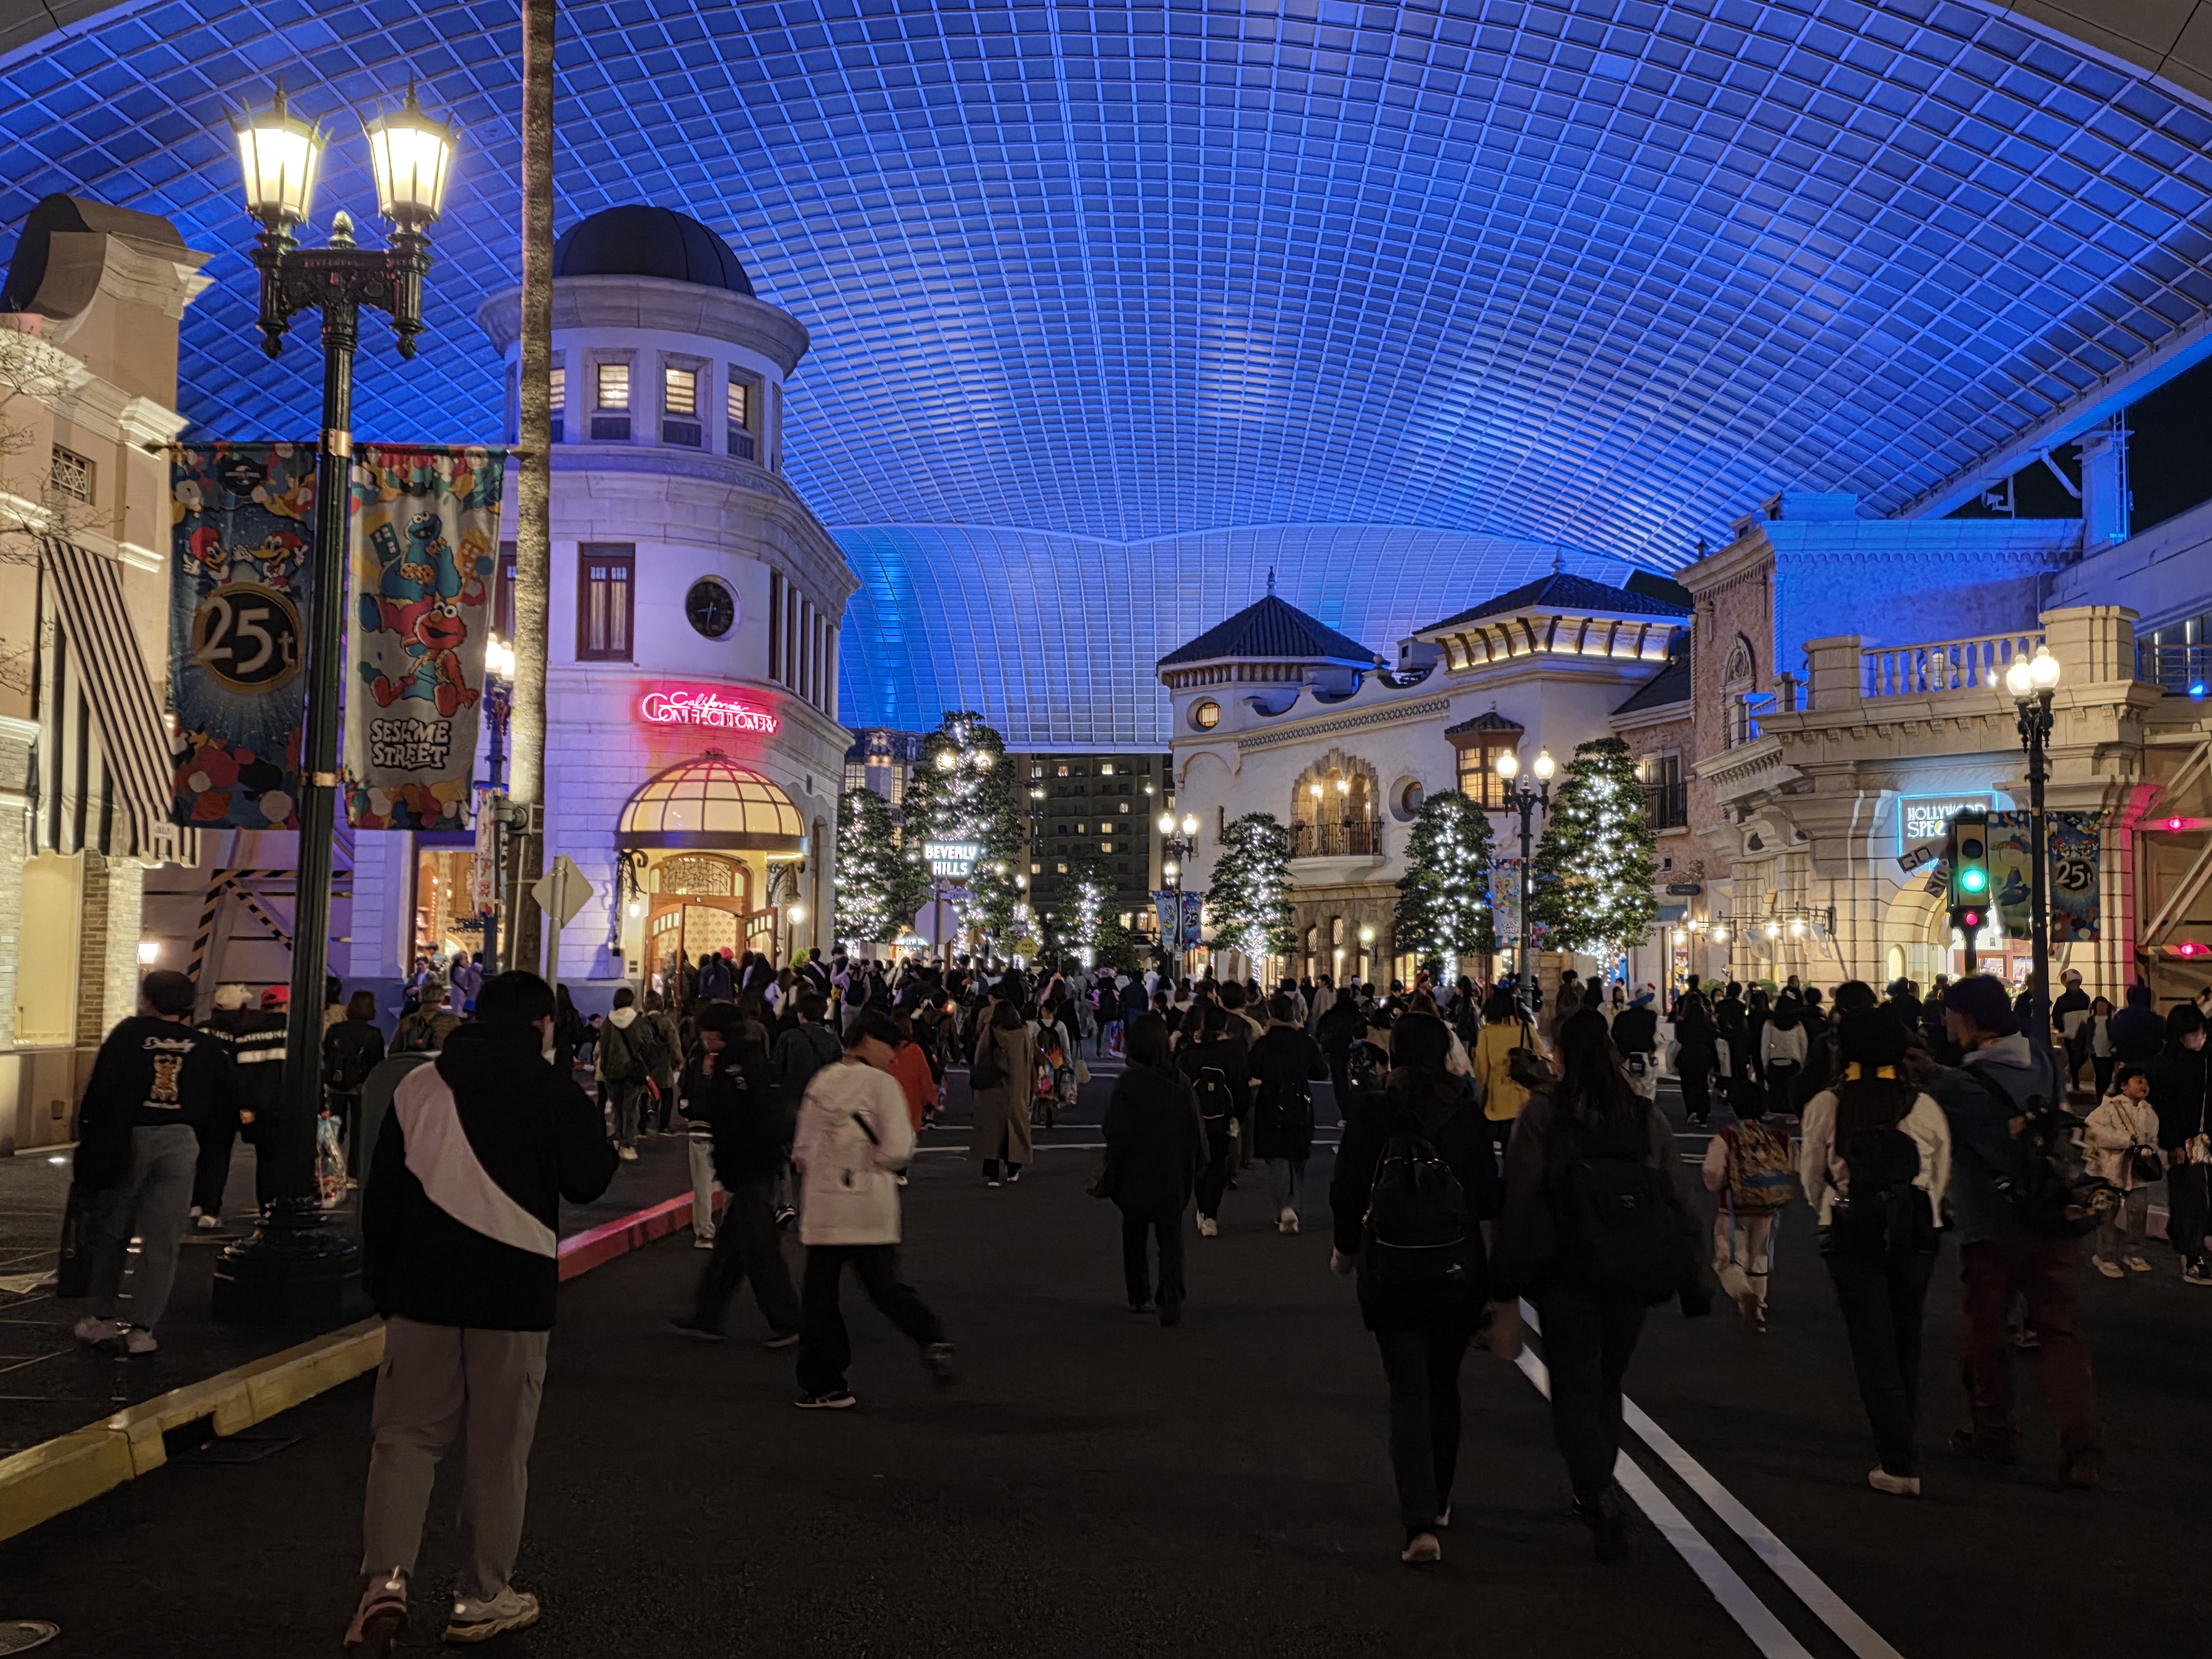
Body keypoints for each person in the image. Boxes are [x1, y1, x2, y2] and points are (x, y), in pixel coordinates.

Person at [345, 971, 618, 1654]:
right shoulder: (551, 1088)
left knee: (404, 1439)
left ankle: (385, 1583)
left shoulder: (418, 1085)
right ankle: (482, 1595)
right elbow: (589, 1179)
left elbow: (381, 1198)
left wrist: (382, 1286)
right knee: (498, 1449)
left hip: (420, 1291)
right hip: (513, 1291)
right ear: (543, 1025)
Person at [1491, 1009, 1710, 1562]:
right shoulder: (1640, 1114)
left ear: (1560, 1056)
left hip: (1566, 1268)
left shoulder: (1545, 1112)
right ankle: (1600, 1481)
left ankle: (1595, 1491)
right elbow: (1679, 1193)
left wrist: (1505, 1276)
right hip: (1633, 1266)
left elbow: (1519, 1195)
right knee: (1610, 1379)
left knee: (1573, 1383)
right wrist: (1694, 1268)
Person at [1329, 1013, 1499, 1565]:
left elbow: (1347, 1189)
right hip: (1455, 1270)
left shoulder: (1373, 1110)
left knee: (1407, 1391)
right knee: (1444, 1384)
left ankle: (1418, 1521)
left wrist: (1345, 1251)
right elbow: (1487, 1197)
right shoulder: (1465, 1113)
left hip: (1392, 1267)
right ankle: (1441, 1497)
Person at [1926, 975, 2101, 1483]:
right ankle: (2084, 1450)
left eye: (1950, 1014)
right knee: (2061, 1333)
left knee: (1987, 1332)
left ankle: (1996, 1434)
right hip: (2054, 1217)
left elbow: (1935, 1108)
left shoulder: (1956, 1086)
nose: (1945, 1022)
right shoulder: (2043, 1061)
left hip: (1991, 1225)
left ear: (1968, 1019)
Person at [1799, 1010, 1951, 1496]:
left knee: (1871, 1343)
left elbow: (1811, 1174)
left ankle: (1897, 1459)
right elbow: (1939, 1175)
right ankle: (1904, 1444)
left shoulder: (1828, 1104)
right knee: (1907, 1335)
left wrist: (1831, 1207)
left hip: (1852, 1229)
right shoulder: (1923, 1106)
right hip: (1915, 1229)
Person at [72, 971, 246, 1356]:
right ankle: (143, 1329)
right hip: (180, 1139)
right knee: (163, 1239)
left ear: (148, 998)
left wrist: (89, 1137)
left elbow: (101, 1088)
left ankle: (102, 1318)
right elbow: (224, 1100)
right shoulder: (204, 1046)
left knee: (114, 1230)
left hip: (127, 1137)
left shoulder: (129, 1034)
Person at [790, 1010, 957, 1408]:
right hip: (870, 1207)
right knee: (885, 1288)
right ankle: (930, 1336)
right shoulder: (883, 1086)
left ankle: (826, 1383)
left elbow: (802, 1152)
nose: (894, 1057)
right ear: (867, 1041)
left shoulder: (823, 1081)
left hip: (827, 1208)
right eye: (890, 1048)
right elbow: (898, 1149)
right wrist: (874, 1161)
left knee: (819, 1299)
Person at [671, 1002, 801, 1345]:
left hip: (750, 1168)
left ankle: (788, 1321)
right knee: (732, 1250)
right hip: (752, 1167)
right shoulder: (748, 1059)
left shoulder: (735, 1067)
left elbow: (737, 1118)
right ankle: (708, 1316)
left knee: (759, 1251)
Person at [1101, 1014, 1203, 1323]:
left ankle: (1139, 1294)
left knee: (1134, 1231)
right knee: (1170, 1235)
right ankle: (1171, 1288)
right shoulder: (1179, 1082)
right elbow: (1193, 1129)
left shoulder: (1127, 1085)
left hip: (1134, 1170)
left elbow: (1112, 1129)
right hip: (1170, 1171)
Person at [1701, 1077, 1796, 1331]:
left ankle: (1743, 1294)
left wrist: (1718, 1186)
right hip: (1768, 1209)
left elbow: (1713, 1173)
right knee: (1759, 1258)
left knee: (1728, 1259)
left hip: (1733, 1209)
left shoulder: (1727, 1136)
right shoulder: (1778, 1136)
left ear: (1733, 1107)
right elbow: (1792, 1164)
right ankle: (1759, 1306)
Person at [194, 983, 286, 1228]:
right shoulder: (241, 1033)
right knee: (264, 1156)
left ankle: (203, 1205)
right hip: (237, 1102)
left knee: (209, 1153)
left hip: (204, 1101)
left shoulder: (201, 1031)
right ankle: (268, 1208)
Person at [1248, 992, 1326, 1233]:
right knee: (1298, 1155)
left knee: (1277, 1157)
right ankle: (1294, 1204)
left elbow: (1253, 1069)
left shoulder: (1264, 1043)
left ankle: (1283, 1208)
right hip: (1299, 1099)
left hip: (1271, 1100)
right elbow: (1320, 1071)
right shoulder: (1304, 1040)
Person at [2148, 1005, 2210, 1285]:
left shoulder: (2206, 1058)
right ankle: (2191, 1254)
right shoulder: (2164, 1066)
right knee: (2189, 1197)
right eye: (2193, 1034)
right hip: (2182, 1141)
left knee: (2202, 1195)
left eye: (2202, 1033)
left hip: (2206, 1137)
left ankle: (2193, 1243)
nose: (2200, 1039)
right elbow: (2162, 1109)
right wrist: (2173, 1143)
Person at [1177, 1001, 1248, 1237]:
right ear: (1224, 1026)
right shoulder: (1233, 1052)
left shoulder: (1193, 1052)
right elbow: (1240, 1085)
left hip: (1195, 1115)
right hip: (1222, 1115)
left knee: (1200, 1163)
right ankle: (1210, 1215)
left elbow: (1181, 1083)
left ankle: (1202, 1207)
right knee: (1218, 1164)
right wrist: (1239, 1114)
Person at [2084, 1064, 2159, 1277]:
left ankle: (2134, 1252)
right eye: (2139, 1081)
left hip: (2137, 1169)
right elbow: (2092, 1131)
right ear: (2124, 1086)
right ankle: (2105, 1255)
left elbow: (2153, 1138)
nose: (2144, 1086)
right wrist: (2124, 1141)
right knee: (2108, 1210)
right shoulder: (2109, 1108)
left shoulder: (2149, 1112)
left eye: (2146, 1082)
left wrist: (2151, 1151)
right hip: (2111, 1169)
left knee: (2139, 1209)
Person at [969, 999, 1036, 1186]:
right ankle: (1013, 1168)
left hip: (992, 1089)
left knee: (992, 1132)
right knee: (1014, 1129)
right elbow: (1029, 1063)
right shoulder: (1023, 1035)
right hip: (1015, 1090)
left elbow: (980, 1058)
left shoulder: (990, 1032)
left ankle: (992, 1173)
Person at [324, 989, 388, 1173]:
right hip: (361, 1087)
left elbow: (327, 1055)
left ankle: (332, 1168)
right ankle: (355, 1170)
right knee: (359, 1131)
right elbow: (377, 1063)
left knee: (335, 1129)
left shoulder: (335, 1030)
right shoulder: (374, 1034)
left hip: (336, 1086)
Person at [596, 987, 663, 1161]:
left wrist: (605, 1069)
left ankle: (620, 1138)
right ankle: (629, 1144)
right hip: (633, 1072)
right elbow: (648, 1046)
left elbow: (603, 1048)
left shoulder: (608, 1023)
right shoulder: (638, 1022)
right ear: (632, 1001)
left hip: (612, 1072)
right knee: (631, 1108)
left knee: (617, 1108)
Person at [1472, 989, 1540, 1157]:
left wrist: (1482, 1097)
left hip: (1498, 1101)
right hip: (1524, 1099)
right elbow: (1541, 1057)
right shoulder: (1527, 1029)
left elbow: (1482, 1071)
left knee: (1503, 1147)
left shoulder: (1487, 1034)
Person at [1672, 988, 1720, 1126]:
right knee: (1702, 1084)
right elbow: (1712, 1039)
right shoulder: (1708, 1021)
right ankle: (1703, 1112)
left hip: (1687, 1055)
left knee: (1688, 1085)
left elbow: (1680, 1039)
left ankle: (1692, 1111)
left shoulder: (1682, 1022)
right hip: (1703, 1055)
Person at [1760, 996, 1808, 1119]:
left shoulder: (1770, 1024)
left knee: (1776, 1093)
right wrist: (1803, 1065)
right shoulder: (1798, 1025)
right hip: (1793, 1063)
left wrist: (1764, 1065)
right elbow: (1803, 1046)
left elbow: (1765, 1046)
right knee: (1790, 1094)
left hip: (1774, 1062)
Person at [641, 991, 683, 1133]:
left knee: (644, 1093)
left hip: (645, 1064)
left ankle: (642, 1126)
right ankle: (663, 1126)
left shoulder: (640, 1022)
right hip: (662, 1064)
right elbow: (674, 1043)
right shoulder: (665, 1021)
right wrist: (679, 1061)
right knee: (667, 1095)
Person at [393, 984, 461, 1056]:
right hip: (440, 1061)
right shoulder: (452, 1021)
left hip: (412, 1061)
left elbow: (394, 1050)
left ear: (420, 998)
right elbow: (458, 1049)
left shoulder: (406, 1021)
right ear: (442, 999)